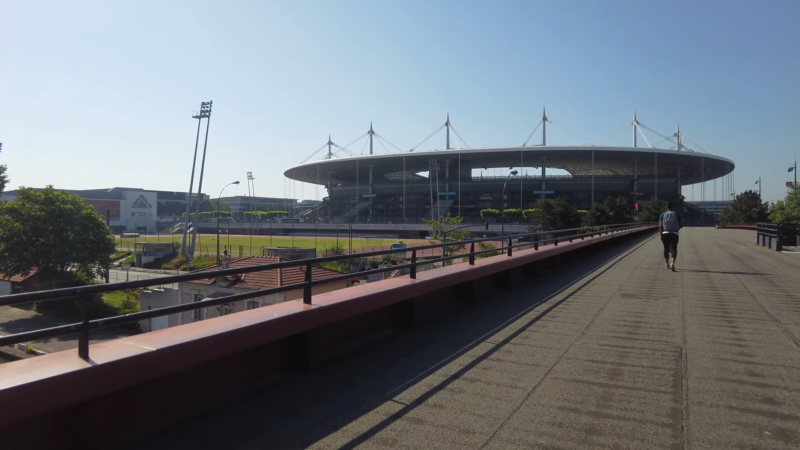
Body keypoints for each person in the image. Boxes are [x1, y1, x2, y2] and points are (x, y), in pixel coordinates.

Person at [659, 201, 683, 271]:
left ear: (666, 207)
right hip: (674, 233)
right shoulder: (676, 214)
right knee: (674, 249)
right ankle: (672, 263)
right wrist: (676, 229)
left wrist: (661, 235)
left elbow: (660, 226)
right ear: (673, 207)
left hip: (665, 233)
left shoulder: (662, 215)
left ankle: (667, 264)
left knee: (666, 248)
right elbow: (680, 225)